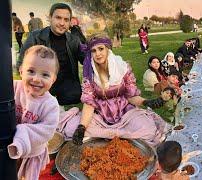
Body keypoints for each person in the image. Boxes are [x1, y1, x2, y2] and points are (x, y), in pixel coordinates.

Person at [58, 34, 169, 147]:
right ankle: (122, 136)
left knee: (148, 129)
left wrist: (146, 102)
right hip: (101, 115)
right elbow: (89, 103)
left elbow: (131, 96)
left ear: (108, 49)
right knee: (71, 128)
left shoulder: (123, 67)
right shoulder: (90, 74)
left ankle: (105, 137)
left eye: (101, 49)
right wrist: (82, 127)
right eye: (93, 51)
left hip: (125, 113)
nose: (97, 54)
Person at [7, 45, 60, 180]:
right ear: (21, 71)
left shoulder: (50, 105)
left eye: (45, 74)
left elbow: (46, 131)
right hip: (8, 146)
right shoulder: (13, 88)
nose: (36, 79)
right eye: (31, 71)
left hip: (32, 154)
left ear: (53, 79)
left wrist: (22, 132)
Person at [18, 3, 84, 106]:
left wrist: (80, 36)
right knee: (40, 103)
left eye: (66, 20)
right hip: (42, 82)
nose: (62, 23)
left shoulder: (74, 39)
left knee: (75, 98)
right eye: (58, 18)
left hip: (68, 85)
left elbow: (86, 60)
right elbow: (21, 63)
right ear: (50, 18)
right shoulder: (36, 36)